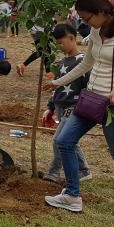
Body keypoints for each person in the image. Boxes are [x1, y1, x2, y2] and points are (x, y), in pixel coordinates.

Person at [43, 0, 114, 219]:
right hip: (91, 99)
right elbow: (86, 64)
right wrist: (57, 83)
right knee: (64, 141)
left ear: (101, 12)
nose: (85, 23)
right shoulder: (95, 31)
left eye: (87, 18)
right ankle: (72, 196)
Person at [40, 24, 92, 184]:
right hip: (61, 107)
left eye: (61, 43)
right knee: (69, 140)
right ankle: (84, 170)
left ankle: (53, 173)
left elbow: (88, 87)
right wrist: (50, 107)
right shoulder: (61, 63)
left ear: (72, 37)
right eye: (57, 44)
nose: (60, 47)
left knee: (59, 140)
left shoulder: (83, 62)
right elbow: (57, 87)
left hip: (74, 107)